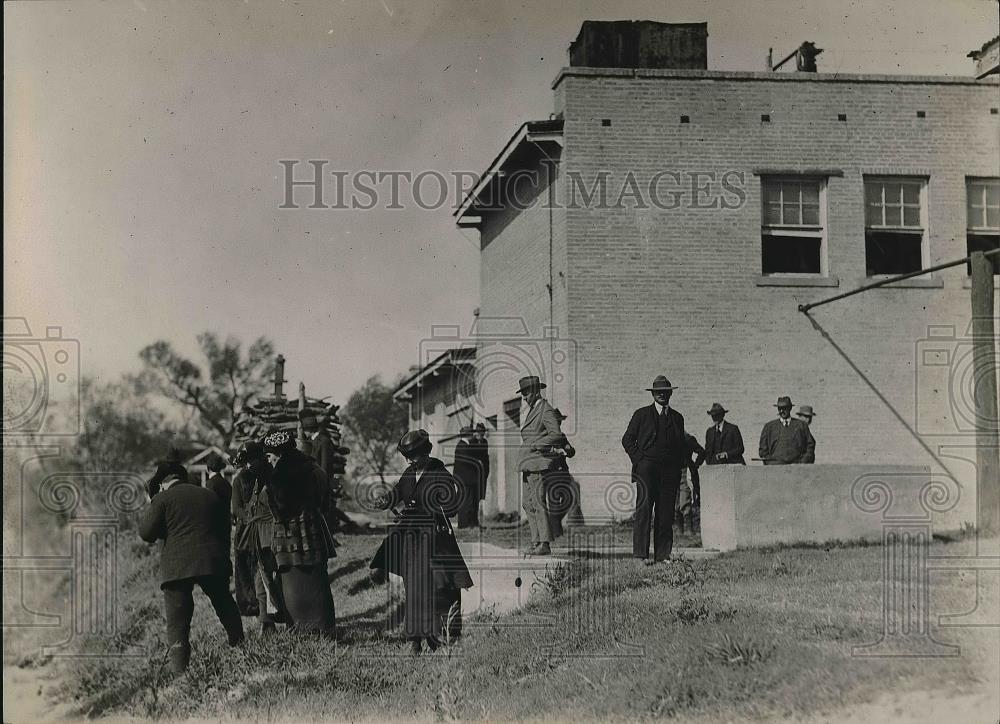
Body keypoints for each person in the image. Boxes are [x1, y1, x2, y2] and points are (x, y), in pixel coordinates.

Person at [370, 429, 474, 655]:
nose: (409, 461)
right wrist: (385, 500)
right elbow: (398, 492)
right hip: (411, 540)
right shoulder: (409, 473)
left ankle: (443, 638)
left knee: (439, 587)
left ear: (425, 452)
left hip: (435, 540)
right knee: (414, 588)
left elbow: (452, 507)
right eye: (406, 457)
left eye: (413, 456)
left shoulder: (440, 473)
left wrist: (435, 508)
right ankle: (414, 640)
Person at [138, 459, 243, 674]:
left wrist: (153, 502)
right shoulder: (208, 495)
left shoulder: (162, 499)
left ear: (162, 483)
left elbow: (146, 533)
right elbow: (224, 528)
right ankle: (240, 645)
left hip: (177, 566)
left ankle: (180, 672)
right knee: (224, 602)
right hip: (211, 560)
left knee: (178, 621)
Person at [262, 430, 337, 637]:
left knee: (293, 582)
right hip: (312, 529)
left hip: (288, 535)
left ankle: (299, 629)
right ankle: (323, 628)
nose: (268, 460)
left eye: (269, 456)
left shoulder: (278, 477)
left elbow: (279, 507)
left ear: (279, 454)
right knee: (316, 580)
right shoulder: (314, 469)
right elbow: (325, 501)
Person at [621, 375, 687, 564]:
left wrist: (678, 466)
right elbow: (627, 439)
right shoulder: (641, 414)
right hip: (646, 471)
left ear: (670, 394)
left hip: (670, 473)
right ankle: (640, 555)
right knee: (644, 511)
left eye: (665, 392)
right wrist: (640, 461)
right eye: (658, 392)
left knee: (666, 513)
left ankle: (663, 555)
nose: (662, 395)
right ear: (653, 394)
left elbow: (681, 445)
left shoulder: (677, 417)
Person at [517, 375, 564, 556]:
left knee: (537, 502)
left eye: (526, 393)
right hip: (528, 463)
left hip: (537, 462)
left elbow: (556, 435)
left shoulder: (545, 410)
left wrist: (537, 445)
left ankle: (544, 543)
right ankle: (536, 541)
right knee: (527, 503)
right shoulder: (533, 410)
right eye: (522, 393)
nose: (524, 397)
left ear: (536, 392)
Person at [230, 442, 262, 617]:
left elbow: (236, 509)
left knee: (246, 568)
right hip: (257, 527)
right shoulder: (262, 475)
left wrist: (248, 519)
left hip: (246, 530)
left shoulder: (239, 480)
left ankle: (252, 604)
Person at [544, 408, 583, 538]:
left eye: (560, 422)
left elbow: (571, 452)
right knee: (554, 505)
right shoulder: (545, 437)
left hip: (564, 474)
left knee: (568, 500)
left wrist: (568, 449)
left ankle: (552, 525)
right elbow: (542, 454)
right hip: (551, 475)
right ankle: (556, 533)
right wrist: (555, 452)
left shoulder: (562, 436)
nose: (559, 424)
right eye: (556, 422)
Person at [758, 396, 814, 465]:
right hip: (775, 467)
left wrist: (803, 462)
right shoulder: (769, 427)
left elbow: (810, 445)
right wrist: (770, 463)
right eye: (779, 408)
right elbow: (763, 450)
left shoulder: (801, 425)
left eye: (784, 408)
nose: (782, 411)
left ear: (790, 408)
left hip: (797, 467)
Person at [675, 433, 706, 534]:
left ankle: (689, 529)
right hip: (671, 473)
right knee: (675, 501)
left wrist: (694, 466)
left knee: (685, 499)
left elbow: (701, 452)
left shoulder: (687, 438)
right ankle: (679, 529)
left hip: (684, 472)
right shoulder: (667, 436)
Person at [452, 425, 481, 529]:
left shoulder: (465, 444)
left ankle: (468, 523)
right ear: (468, 435)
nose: (473, 435)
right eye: (471, 433)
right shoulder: (462, 445)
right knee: (465, 501)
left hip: (466, 478)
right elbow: (469, 461)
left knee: (468, 501)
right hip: (464, 479)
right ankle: (464, 523)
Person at [471, 422, 491, 509]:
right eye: (478, 432)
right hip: (473, 473)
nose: (480, 434)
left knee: (480, 495)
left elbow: (486, 457)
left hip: (482, 473)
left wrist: (486, 471)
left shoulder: (485, 442)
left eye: (482, 432)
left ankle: (477, 514)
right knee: (473, 495)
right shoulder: (472, 442)